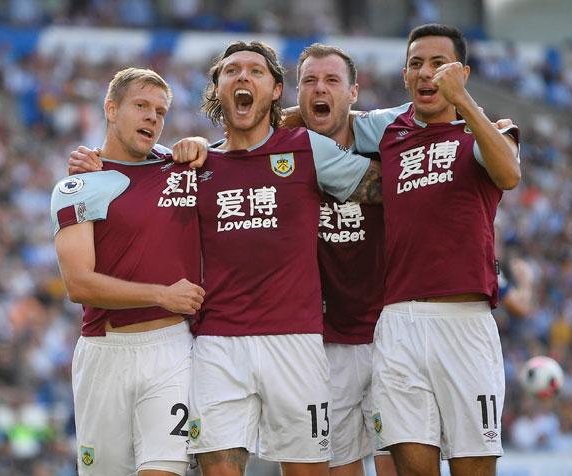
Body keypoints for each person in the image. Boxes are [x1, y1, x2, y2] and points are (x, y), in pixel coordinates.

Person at [183, 40, 382, 476]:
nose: (242, 77)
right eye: (231, 71)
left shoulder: (308, 148)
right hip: (218, 342)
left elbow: (391, 187)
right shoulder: (194, 165)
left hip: (296, 341)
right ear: (216, 88)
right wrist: (92, 163)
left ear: (276, 90)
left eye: (255, 71)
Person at [351, 24, 520, 476]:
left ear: (461, 72)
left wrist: (464, 101)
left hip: (464, 324)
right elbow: (329, 119)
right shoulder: (388, 130)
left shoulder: (488, 129)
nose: (427, 73)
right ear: (405, 75)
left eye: (439, 64)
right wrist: (288, 115)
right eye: (416, 64)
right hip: (399, 324)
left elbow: (508, 175)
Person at [50, 67, 206, 476]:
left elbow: (257, 138)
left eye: (161, 111)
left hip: (172, 348)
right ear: (111, 108)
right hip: (105, 352)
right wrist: (161, 294)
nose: (153, 118)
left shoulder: (183, 168)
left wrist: (203, 143)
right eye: (141, 106)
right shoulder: (81, 184)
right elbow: (78, 284)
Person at [294, 43, 396, 476]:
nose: (321, 89)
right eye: (310, 81)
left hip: (393, 332)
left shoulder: (391, 139)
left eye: (332, 80)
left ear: (353, 92)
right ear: (295, 93)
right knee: (339, 465)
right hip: (324, 342)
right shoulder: (282, 152)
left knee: (404, 461)